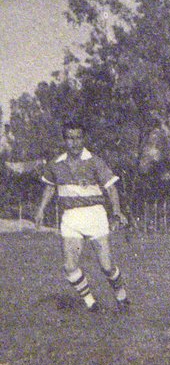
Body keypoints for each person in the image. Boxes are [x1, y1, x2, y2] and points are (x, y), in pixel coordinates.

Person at [35, 119, 130, 313]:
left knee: (106, 266)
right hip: (70, 217)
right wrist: (41, 209)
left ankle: (122, 297)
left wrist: (117, 211)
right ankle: (91, 303)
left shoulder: (95, 161)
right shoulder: (56, 164)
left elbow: (111, 188)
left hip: (95, 214)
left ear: (83, 138)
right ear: (64, 140)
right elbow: (50, 187)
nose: (75, 142)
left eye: (78, 138)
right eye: (70, 138)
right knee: (70, 266)